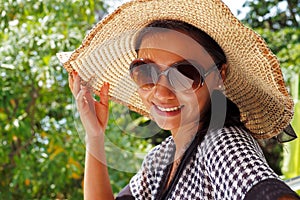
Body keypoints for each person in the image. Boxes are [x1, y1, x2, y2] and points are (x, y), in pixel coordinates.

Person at [57, 0, 300, 199]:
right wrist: (95, 136)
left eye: (185, 74)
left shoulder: (220, 143)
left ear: (218, 76)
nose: (162, 93)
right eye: (146, 72)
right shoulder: (162, 159)